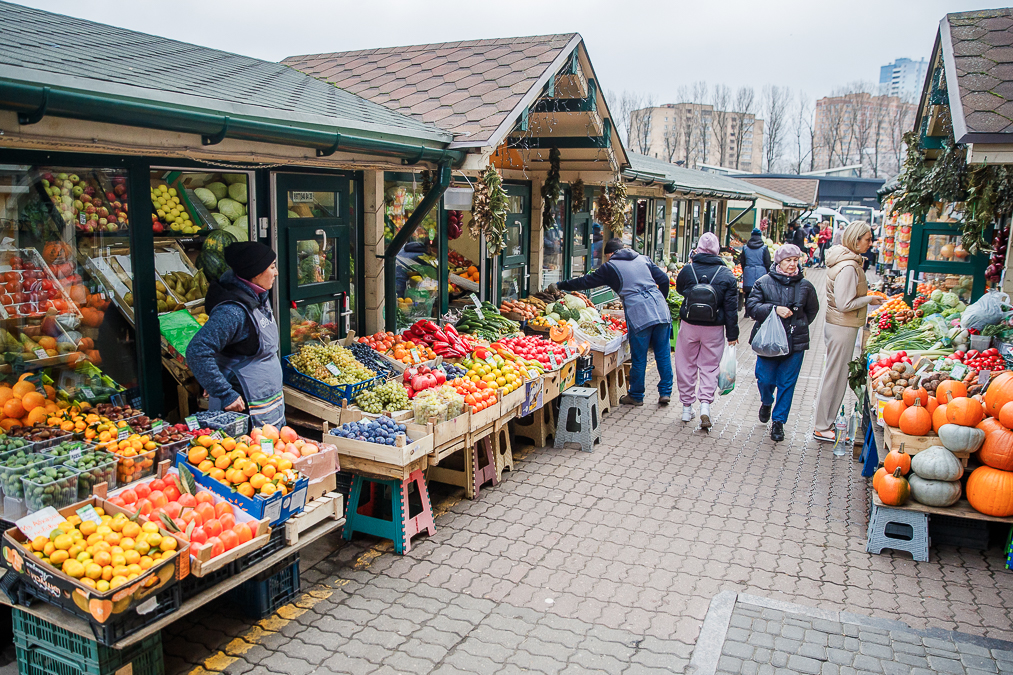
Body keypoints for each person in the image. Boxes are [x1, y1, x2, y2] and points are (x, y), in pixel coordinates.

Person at [548, 238, 672, 406]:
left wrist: (561, 284)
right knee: (663, 353)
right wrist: (660, 299)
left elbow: (585, 281)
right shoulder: (643, 258)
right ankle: (665, 393)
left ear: (610, 254)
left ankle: (636, 395)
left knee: (639, 356)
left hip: (639, 312)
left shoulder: (610, 267)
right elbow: (663, 279)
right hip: (660, 309)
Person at [188, 241, 286, 427]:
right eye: (272, 267)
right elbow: (197, 350)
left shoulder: (257, 295)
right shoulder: (232, 311)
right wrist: (224, 392)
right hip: (243, 409)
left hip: (267, 404)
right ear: (255, 272)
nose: (276, 272)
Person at [813, 221, 883, 442]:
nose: (871, 243)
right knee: (835, 377)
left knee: (835, 375)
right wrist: (869, 299)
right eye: (867, 239)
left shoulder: (845, 261)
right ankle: (822, 425)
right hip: (842, 326)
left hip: (839, 325)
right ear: (856, 239)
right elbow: (844, 303)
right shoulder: (849, 267)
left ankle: (825, 423)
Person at [746, 244, 819, 442]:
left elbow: (812, 311)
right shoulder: (763, 283)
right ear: (779, 262)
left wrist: (798, 325)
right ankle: (767, 401)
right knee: (765, 378)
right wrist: (774, 309)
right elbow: (752, 307)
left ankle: (778, 422)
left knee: (787, 383)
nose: (792, 265)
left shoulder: (806, 286)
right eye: (788, 261)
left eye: (795, 260)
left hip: (795, 343)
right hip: (769, 342)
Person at [674, 232, 739, 428]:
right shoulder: (726, 274)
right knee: (710, 367)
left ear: (698, 248)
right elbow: (731, 308)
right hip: (714, 328)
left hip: (689, 325)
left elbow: (679, 289)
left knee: (685, 364)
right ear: (717, 250)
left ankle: (686, 408)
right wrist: (732, 335)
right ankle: (704, 406)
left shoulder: (688, 270)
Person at [738, 227, 771, 303]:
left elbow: (742, 261)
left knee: (748, 292)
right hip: (761, 273)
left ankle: (747, 311)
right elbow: (767, 262)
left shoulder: (745, 248)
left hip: (748, 272)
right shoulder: (764, 248)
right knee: (760, 292)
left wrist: (745, 270)